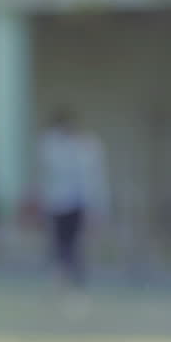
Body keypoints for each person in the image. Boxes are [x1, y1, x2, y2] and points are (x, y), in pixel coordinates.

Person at [37, 109, 109, 290]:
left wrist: (95, 207)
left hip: (75, 204)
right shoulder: (52, 145)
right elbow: (46, 173)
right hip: (57, 204)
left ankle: (75, 278)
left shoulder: (82, 146)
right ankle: (61, 276)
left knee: (74, 243)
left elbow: (89, 179)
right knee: (59, 243)